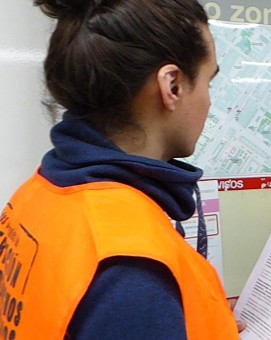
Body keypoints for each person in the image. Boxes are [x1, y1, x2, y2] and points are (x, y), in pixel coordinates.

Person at [0, 0, 243, 338]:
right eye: (207, 82)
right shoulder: (132, 270)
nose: (209, 101)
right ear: (172, 85)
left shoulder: (39, 193)